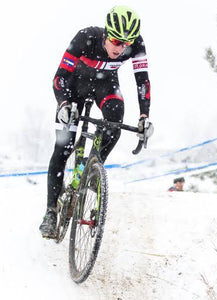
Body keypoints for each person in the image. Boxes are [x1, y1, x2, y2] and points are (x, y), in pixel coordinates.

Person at [39, 5, 153, 238]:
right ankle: (51, 211)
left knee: (114, 123)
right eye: (115, 41)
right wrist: (63, 105)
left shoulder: (136, 44)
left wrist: (144, 117)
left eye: (125, 43)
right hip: (74, 89)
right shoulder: (85, 37)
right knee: (63, 147)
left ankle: (93, 168)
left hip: (105, 86)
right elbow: (59, 77)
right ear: (105, 34)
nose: (120, 48)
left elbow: (142, 81)